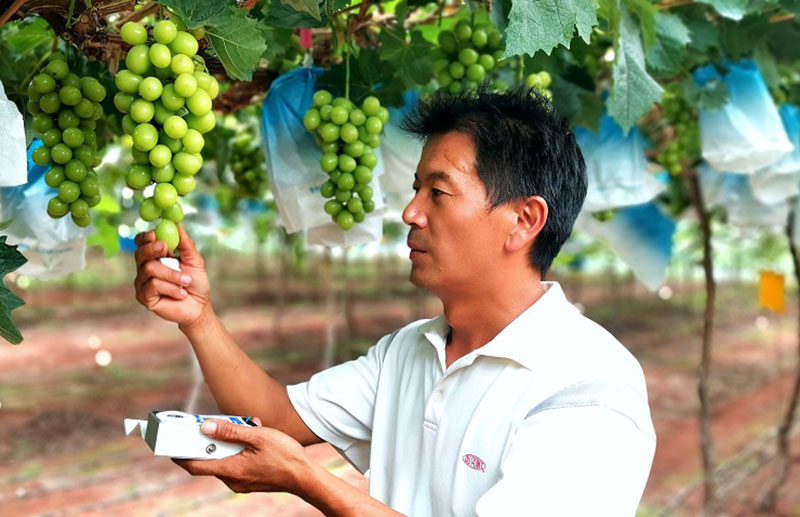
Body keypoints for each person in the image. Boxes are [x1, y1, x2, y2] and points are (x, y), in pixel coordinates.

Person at [133, 86, 656, 516]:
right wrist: (199, 318)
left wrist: (304, 478)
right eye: (415, 189)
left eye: (438, 192)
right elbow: (274, 416)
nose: (410, 213)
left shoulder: (589, 384)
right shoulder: (411, 350)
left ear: (523, 220)